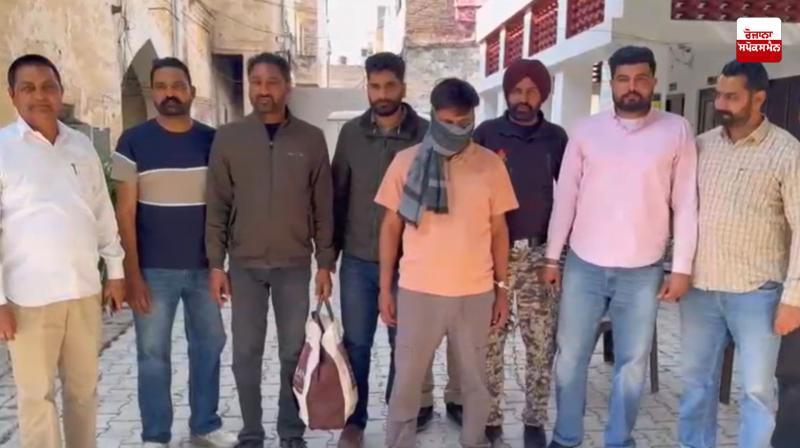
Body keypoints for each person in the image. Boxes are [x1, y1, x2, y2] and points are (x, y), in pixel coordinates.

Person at [542, 46, 698, 448]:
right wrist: (552, 258)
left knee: (631, 364)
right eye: (624, 79)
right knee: (570, 358)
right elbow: (566, 197)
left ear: (654, 81)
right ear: (611, 84)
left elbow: (685, 203)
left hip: (642, 270)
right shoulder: (586, 130)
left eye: (641, 78)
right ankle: (566, 437)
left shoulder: (676, 130)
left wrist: (681, 268)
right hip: (584, 265)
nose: (632, 87)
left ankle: (619, 440)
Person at [376, 77, 517, 448]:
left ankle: (474, 441)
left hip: (475, 294)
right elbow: (390, 228)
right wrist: (385, 288)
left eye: (464, 122)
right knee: (407, 383)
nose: (456, 129)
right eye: (447, 122)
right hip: (418, 292)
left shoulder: (490, 165)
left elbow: (499, 231)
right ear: (433, 116)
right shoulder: (406, 162)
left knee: (475, 383)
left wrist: (502, 290)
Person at [205, 52, 334, 448]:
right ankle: (251, 432)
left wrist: (325, 263)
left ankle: (290, 431)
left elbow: (323, 206)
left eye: (272, 82)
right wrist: (216, 264)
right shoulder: (229, 138)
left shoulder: (310, 139)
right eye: (257, 82)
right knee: (246, 353)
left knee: (293, 352)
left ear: (287, 86)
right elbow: (217, 204)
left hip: (294, 265)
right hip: (244, 265)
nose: (264, 90)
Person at [0, 54, 125, 448]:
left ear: (60, 92)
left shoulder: (81, 147)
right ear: (12, 95)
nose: (40, 96)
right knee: (36, 399)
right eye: (28, 88)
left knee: (83, 393)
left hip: (83, 292)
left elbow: (102, 212)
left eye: (48, 87)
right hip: (28, 300)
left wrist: (116, 273)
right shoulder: (3, 149)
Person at [111, 57, 237, 448]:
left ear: (191, 92)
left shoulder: (213, 141)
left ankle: (205, 425)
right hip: (152, 271)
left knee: (210, 345)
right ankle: (155, 436)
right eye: (162, 86)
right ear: (152, 92)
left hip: (203, 269)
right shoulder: (132, 141)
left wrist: (222, 265)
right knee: (152, 354)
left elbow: (225, 207)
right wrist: (132, 275)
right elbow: (124, 212)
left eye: (178, 86)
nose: (170, 93)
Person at [679, 61, 800, 448]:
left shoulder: (787, 151)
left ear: (758, 98)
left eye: (731, 97)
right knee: (696, 386)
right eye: (718, 94)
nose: (720, 103)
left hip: (758, 294)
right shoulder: (702, 146)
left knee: (757, 393)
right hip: (700, 291)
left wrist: (794, 299)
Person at [332, 52, 443, 447]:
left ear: (403, 87)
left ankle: (400, 418)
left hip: (410, 264)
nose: (382, 94)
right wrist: (327, 259)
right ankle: (354, 421)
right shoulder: (351, 134)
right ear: (367, 87)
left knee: (405, 346)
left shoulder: (427, 135)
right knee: (357, 345)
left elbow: (438, 202)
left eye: (389, 86)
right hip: (358, 259)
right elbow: (337, 196)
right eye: (375, 86)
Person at [460, 58, 567, 448]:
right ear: (507, 93)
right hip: (493, 257)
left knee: (540, 342)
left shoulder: (556, 138)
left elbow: (570, 193)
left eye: (532, 91)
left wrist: (559, 255)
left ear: (543, 95)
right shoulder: (487, 134)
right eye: (517, 90)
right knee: (491, 340)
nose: (524, 98)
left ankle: (534, 420)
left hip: (540, 257)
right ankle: (490, 419)